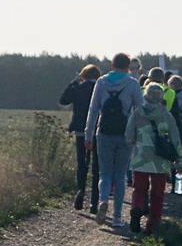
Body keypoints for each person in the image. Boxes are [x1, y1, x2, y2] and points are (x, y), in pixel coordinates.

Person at [85, 53, 143, 227]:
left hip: (103, 132)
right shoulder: (132, 84)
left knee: (105, 173)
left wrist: (88, 135)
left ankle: (103, 200)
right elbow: (140, 110)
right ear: (128, 67)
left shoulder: (101, 82)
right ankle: (117, 217)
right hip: (125, 134)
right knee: (119, 175)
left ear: (112, 65)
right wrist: (138, 135)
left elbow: (93, 110)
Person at [126, 83, 182, 235]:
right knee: (158, 194)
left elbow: (128, 136)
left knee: (139, 190)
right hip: (161, 159)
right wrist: (179, 160)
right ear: (161, 98)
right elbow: (175, 139)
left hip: (140, 158)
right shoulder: (166, 114)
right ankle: (152, 225)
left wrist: (136, 143)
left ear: (145, 96)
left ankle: (137, 208)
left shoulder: (137, 112)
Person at [59, 64, 101, 212]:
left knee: (81, 164)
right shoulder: (100, 88)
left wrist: (74, 82)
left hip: (80, 130)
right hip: (97, 131)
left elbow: (63, 100)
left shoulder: (78, 89)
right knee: (97, 167)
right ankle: (95, 203)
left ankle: (81, 190)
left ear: (83, 75)